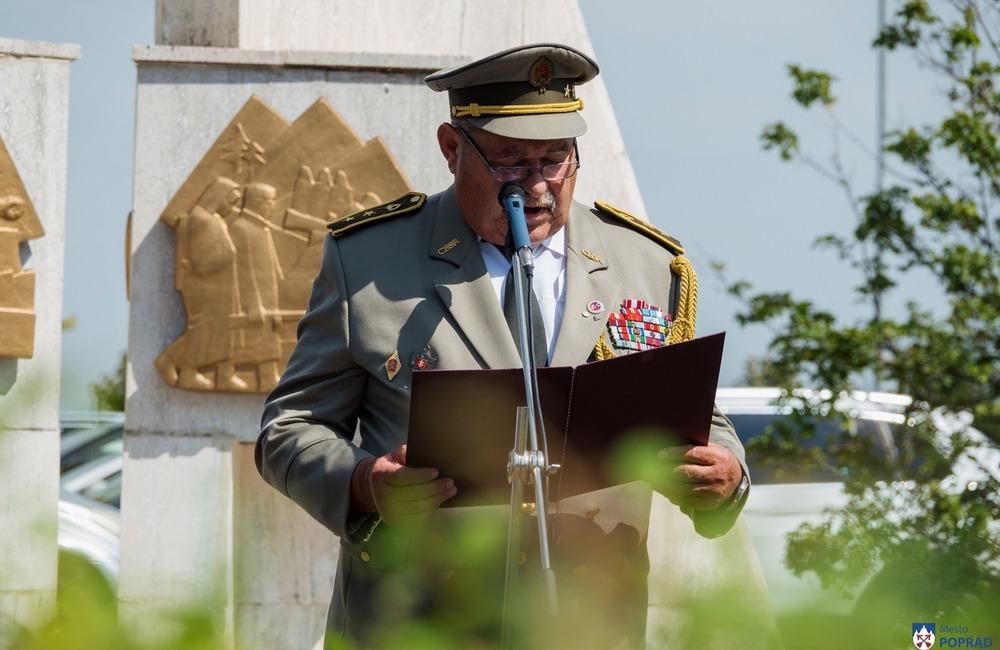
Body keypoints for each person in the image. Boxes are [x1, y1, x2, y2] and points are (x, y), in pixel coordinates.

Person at [257, 43, 750, 649]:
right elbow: (289, 428)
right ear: (451, 147)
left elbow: (697, 418)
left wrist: (728, 475)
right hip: (418, 619)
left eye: (556, 159)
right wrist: (364, 483)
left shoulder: (644, 263)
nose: (537, 185)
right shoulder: (368, 262)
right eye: (512, 162)